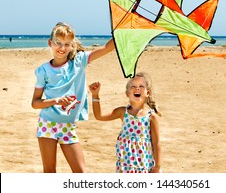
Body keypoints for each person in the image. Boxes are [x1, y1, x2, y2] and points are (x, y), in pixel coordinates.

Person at [31, 22, 114, 173]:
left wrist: (121, 31)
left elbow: (107, 48)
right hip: (47, 125)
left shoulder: (79, 61)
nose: (62, 48)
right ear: (50, 43)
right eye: (58, 43)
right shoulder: (43, 71)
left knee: (80, 172)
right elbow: (35, 103)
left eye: (67, 44)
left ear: (72, 45)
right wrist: (55, 101)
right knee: (49, 172)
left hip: (68, 127)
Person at [89, 72, 162, 173]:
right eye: (133, 86)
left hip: (144, 167)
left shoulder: (151, 117)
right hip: (124, 167)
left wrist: (157, 167)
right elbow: (99, 116)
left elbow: (156, 142)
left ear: (148, 93)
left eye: (141, 86)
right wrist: (95, 95)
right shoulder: (122, 112)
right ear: (127, 93)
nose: (137, 89)